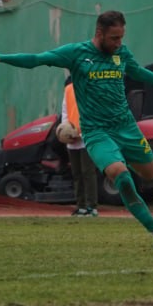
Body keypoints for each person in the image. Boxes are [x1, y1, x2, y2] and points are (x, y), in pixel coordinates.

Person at [0, 10, 153, 247]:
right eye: (114, 38)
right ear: (99, 33)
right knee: (123, 178)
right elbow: (37, 59)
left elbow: (138, 71)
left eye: (121, 38)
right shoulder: (76, 54)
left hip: (126, 127)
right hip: (96, 132)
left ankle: (120, 161)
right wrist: (0, 57)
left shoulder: (121, 53)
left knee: (151, 174)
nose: (119, 43)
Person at [60, 78, 99, 217]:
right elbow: (65, 112)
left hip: (87, 137)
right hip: (72, 138)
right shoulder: (69, 89)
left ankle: (92, 207)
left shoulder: (91, 88)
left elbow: (95, 112)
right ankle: (81, 206)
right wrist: (66, 130)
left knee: (88, 172)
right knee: (77, 173)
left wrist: (81, 132)